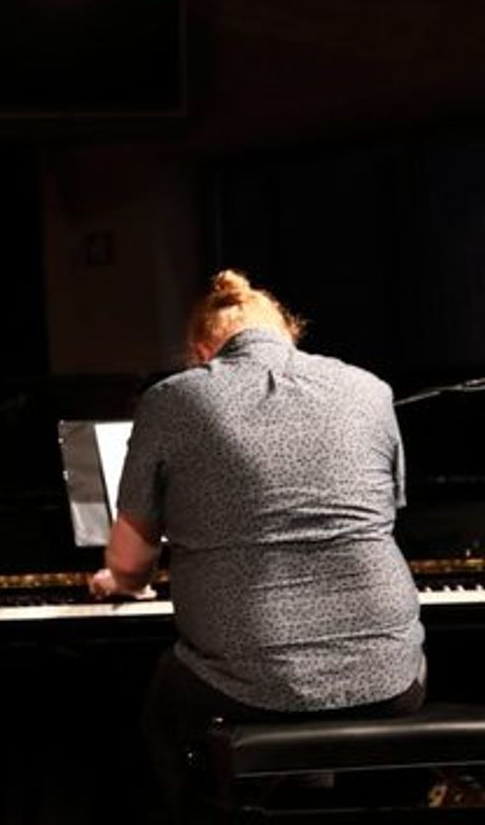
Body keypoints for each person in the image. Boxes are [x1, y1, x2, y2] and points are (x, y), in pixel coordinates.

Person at [89, 269, 426, 822]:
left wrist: (120, 581)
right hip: (391, 676)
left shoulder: (175, 398)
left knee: (155, 713)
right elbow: (384, 516)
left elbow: (130, 560)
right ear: (290, 334)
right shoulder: (371, 389)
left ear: (202, 352)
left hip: (243, 684)